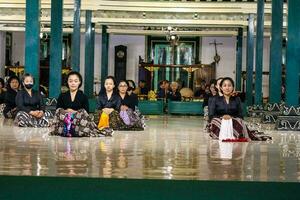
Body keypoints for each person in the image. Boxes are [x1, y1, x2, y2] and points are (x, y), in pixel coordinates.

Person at [208, 77, 271, 141]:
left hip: (234, 122)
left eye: (229, 85)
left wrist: (230, 118)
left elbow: (240, 115)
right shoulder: (215, 99)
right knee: (214, 120)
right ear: (221, 88)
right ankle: (220, 135)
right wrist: (223, 117)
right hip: (219, 122)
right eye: (224, 86)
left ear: (233, 87)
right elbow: (211, 115)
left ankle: (236, 135)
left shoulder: (236, 99)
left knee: (239, 121)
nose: (227, 88)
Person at [50, 71, 109, 137]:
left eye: (75, 81)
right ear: (67, 82)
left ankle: (78, 131)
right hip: (65, 121)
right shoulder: (62, 96)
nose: (73, 83)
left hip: (79, 123)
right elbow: (58, 110)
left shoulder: (83, 96)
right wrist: (67, 112)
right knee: (59, 110)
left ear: (79, 82)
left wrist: (74, 112)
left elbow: (86, 112)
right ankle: (64, 130)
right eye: (70, 81)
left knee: (82, 112)